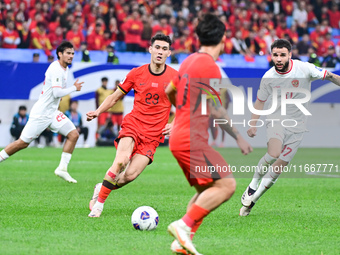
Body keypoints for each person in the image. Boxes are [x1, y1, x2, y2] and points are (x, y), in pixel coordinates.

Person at [165, 14, 253, 255]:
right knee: (227, 185)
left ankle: (181, 242)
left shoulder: (188, 61)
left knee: (206, 191)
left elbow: (169, 90)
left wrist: (181, 113)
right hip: (192, 139)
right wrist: (239, 137)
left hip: (180, 137)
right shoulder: (209, 66)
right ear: (224, 38)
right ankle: (182, 226)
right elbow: (215, 108)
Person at [240, 39, 340, 216]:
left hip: (298, 125)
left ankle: (252, 202)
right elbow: (260, 101)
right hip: (276, 120)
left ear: (289, 55)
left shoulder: (304, 69)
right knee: (274, 153)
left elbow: (330, 76)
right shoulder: (268, 77)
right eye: (275, 55)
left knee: (278, 168)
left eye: (282, 55)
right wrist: (253, 124)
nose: (278, 59)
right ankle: (253, 184)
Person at [86, 33, 178, 217]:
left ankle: (101, 187)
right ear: (150, 49)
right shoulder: (137, 73)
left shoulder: (175, 78)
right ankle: (99, 206)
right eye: (157, 47)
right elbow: (115, 97)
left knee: (130, 176)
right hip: (133, 126)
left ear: (169, 53)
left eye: (164, 49)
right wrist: (98, 111)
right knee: (121, 160)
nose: (160, 52)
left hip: (153, 136)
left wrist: (175, 123)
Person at [0, 41, 84, 184]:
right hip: (41, 114)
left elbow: (55, 91)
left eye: (72, 54)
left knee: (73, 134)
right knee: (22, 143)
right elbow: (57, 92)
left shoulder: (65, 68)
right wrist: (73, 88)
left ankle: (62, 169)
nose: (71, 56)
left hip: (52, 112)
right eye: (68, 53)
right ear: (60, 54)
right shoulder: (56, 68)